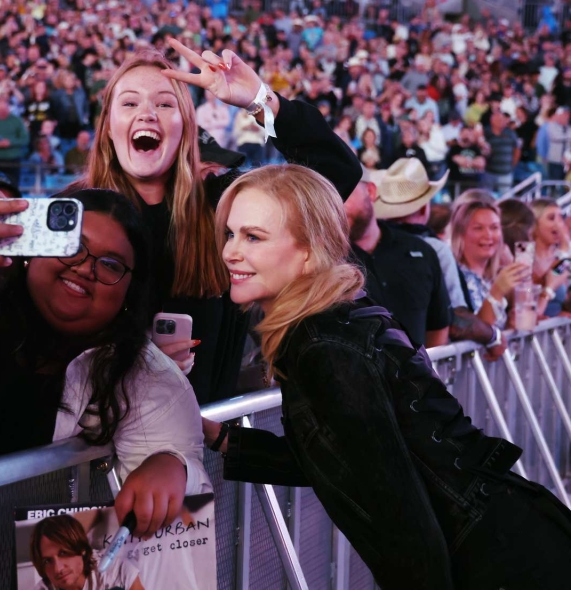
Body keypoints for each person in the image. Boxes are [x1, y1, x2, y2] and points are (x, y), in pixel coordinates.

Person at [204, 163, 571, 590]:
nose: (231, 251)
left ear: (308, 249)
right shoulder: (328, 325)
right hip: (503, 543)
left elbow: (402, 517)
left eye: (253, 237)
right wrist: (219, 436)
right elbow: (338, 457)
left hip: (497, 561)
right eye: (230, 234)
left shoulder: (323, 346)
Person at [67, 40, 361, 403]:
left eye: (164, 103)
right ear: (109, 127)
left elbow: (334, 175)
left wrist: (259, 99)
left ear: (187, 126)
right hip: (85, 447)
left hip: (203, 443)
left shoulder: (222, 204)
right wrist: (126, 358)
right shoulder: (70, 211)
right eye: (129, 103)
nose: (147, 114)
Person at [0, 189, 208, 536]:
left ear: (128, 293)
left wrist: (171, 466)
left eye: (110, 264)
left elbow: (184, 461)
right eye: (72, 246)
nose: (86, 268)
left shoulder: (145, 376)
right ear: (35, 249)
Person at [374, 159, 507, 358]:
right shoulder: (434, 249)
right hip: (420, 366)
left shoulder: (368, 244)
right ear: (423, 207)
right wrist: (493, 337)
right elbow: (455, 320)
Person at [344, 162, 450, 348]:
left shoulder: (422, 251)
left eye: (343, 193)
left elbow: (438, 326)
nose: (334, 206)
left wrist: (426, 373)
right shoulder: (322, 262)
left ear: (370, 191)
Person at [451, 200, 531, 329]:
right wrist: (497, 292)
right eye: (478, 228)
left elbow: (526, 303)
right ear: (460, 233)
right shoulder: (456, 279)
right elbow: (474, 332)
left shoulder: (489, 279)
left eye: (494, 228)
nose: (488, 235)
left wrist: (512, 323)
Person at [31, 515, 144, 590]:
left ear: (82, 549)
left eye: (63, 553)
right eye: (47, 561)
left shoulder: (116, 572)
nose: (58, 569)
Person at [530, 199, 570, 317]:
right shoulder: (526, 258)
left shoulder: (559, 255)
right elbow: (554, 274)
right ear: (535, 224)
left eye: (560, 218)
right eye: (551, 218)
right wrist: (564, 250)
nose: (558, 224)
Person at [0, 95, 30, 186]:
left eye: (2, 107)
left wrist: (9, 142)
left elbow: (25, 139)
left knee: (13, 186)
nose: (0, 110)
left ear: (8, 107)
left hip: (13, 160)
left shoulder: (17, 121)